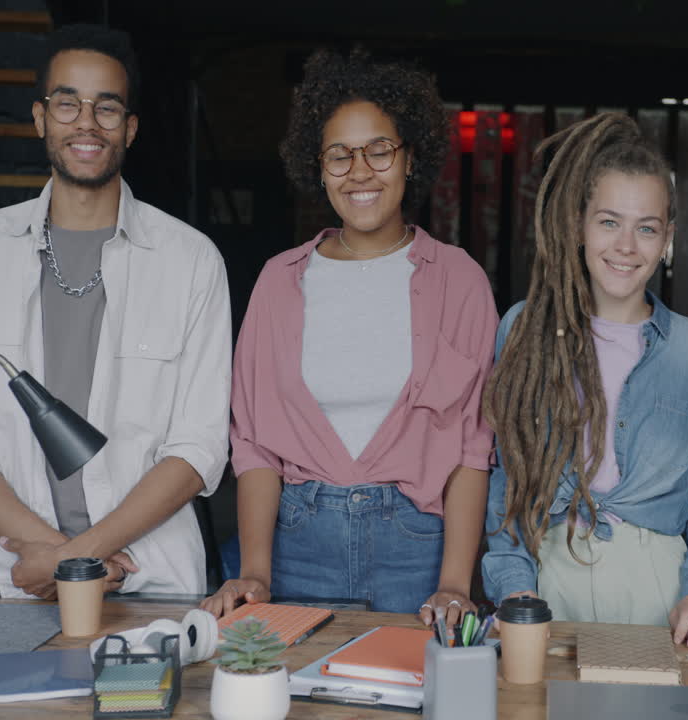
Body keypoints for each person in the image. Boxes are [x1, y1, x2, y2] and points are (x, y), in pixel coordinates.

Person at [0, 24, 231, 598]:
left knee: (141, 695)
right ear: (41, 118)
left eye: (106, 107)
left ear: (130, 128)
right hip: (3, 576)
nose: (86, 122)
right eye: (68, 103)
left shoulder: (190, 260)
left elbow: (198, 444)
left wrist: (72, 561)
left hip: (143, 577)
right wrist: (43, 552)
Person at [200, 49, 496, 629]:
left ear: (410, 157)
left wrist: (455, 583)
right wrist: (256, 571)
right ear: (319, 167)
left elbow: (471, 447)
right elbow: (255, 442)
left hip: (417, 547)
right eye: (339, 155)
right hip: (297, 546)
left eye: (379, 150)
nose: (360, 171)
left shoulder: (460, 280)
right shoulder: (279, 281)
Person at [481, 113, 688, 649]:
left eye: (646, 227)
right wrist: (512, 588)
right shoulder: (523, 328)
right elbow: (506, 478)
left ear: (667, 239)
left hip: (660, 589)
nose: (626, 245)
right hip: (547, 577)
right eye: (608, 222)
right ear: (579, 226)